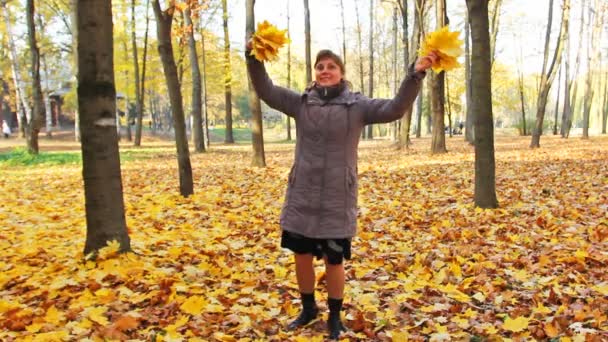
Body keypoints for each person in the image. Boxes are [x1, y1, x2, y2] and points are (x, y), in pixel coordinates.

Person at [246, 43, 435, 339]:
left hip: (337, 196)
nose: (324, 71)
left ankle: (335, 316)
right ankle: (308, 309)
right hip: (302, 195)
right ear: (314, 74)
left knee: (335, 260)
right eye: (320, 67)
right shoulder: (301, 103)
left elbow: (396, 107)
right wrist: (253, 58)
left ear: (341, 73)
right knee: (301, 254)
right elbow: (266, 90)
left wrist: (415, 75)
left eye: (331, 66)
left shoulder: (357, 106)